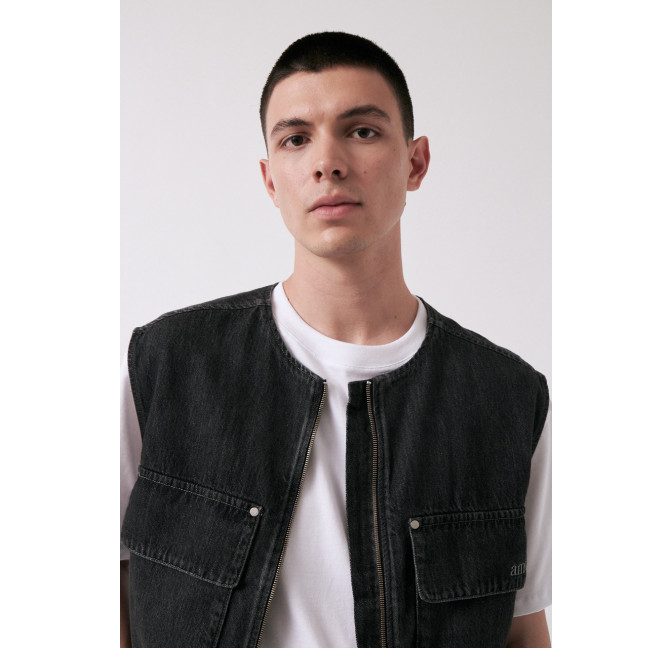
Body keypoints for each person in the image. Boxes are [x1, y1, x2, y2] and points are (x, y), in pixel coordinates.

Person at [120, 31, 551, 648]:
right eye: (296, 139)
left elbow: (523, 630)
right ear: (271, 180)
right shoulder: (166, 366)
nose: (328, 162)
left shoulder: (507, 399)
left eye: (363, 131)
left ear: (416, 163)